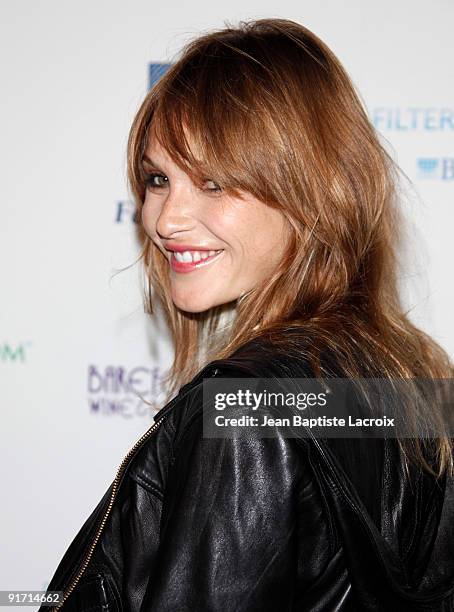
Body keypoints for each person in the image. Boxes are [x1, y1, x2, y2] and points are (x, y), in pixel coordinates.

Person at [40, 17, 454, 611]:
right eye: (159, 179)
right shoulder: (412, 376)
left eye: (213, 183)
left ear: (314, 191)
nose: (165, 220)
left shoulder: (247, 410)